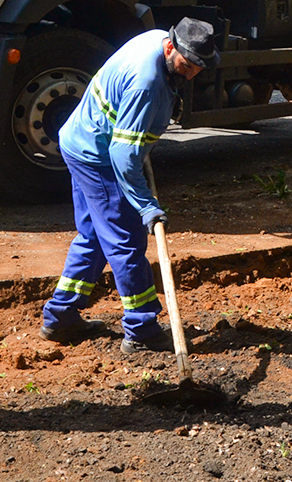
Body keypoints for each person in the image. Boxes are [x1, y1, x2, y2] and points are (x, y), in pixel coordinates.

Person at [39, 19, 219, 352]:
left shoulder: (156, 42)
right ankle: (142, 329)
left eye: (198, 68)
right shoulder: (147, 83)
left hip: (80, 141)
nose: (191, 73)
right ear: (170, 47)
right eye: (187, 64)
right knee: (126, 240)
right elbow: (123, 155)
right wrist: (146, 207)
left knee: (95, 235)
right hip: (98, 158)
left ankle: (60, 316)